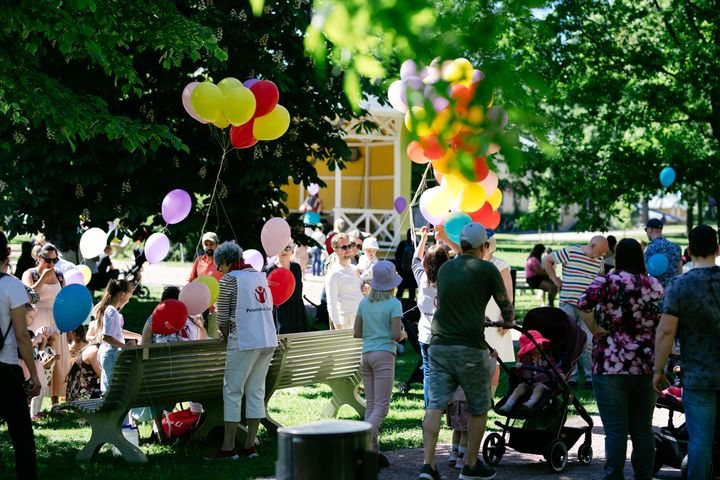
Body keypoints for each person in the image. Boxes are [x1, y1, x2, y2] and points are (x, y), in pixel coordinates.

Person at [419, 222, 514, 480]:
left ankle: (428, 466)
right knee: (478, 406)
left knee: (435, 405)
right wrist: (508, 321)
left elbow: (453, 302)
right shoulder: (487, 268)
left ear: (461, 245)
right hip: (468, 347)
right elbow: (506, 307)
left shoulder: (447, 267)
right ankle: (470, 465)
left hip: (438, 345)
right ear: (484, 246)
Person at [577, 238, 663, 480]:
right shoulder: (654, 284)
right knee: (643, 429)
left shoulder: (606, 281)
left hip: (610, 363)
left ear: (619, 257)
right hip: (646, 364)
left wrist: (594, 329)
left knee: (615, 430)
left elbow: (582, 304)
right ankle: (643, 476)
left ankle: (613, 475)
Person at [653, 224, 720, 480]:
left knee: (700, 442)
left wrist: (659, 370)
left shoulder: (679, 285)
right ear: (717, 249)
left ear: (689, 250)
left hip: (697, 376)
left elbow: (666, 332)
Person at [205, 241, 277, 460]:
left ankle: (228, 447)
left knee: (233, 391)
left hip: (244, 339)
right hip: (267, 338)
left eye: (220, 266)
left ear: (226, 261)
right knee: (256, 391)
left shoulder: (230, 279)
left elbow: (223, 316)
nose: (220, 271)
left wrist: (225, 334)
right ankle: (249, 445)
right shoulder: (259, 275)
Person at [353, 260, 406, 469]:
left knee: (372, 405)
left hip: (366, 354)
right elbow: (395, 334)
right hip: (383, 354)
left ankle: (373, 453)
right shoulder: (394, 304)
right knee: (381, 409)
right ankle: (360, 438)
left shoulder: (364, 302)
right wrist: (402, 334)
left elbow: (356, 332)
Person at [0, 231, 41, 479]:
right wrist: (34, 376)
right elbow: (22, 336)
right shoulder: (11, 286)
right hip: (4, 367)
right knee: (22, 435)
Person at [543, 235, 608, 387]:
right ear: (592, 246)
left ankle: (589, 377)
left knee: (588, 341)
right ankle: (570, 376)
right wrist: (554, 279)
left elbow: (601, 279)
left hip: (588, 307)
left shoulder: (600, 260)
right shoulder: (571, 252)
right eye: (600, 252)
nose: (602, 255)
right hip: (568, 303)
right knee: (568, 339)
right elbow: (547, 260)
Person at [21, 243, 68, 404]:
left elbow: (64, 298)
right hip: (36, 318)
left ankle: (55, 402)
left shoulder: (60, 276)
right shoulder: (30, 273)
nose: (51, 264)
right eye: (48, 260)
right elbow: (28, 296)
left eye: (55, 261)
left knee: (57, 357)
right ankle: (32, 402)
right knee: (39, 358)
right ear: (40, 258)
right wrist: (43, 278)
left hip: (55, 319)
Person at [412, 226, 450, 408]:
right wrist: (444, 238)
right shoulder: (452, 281)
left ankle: (431, 409)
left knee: (428, 373)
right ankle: (444, 407)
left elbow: (415, 260)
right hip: (446, 336)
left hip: (426, 335)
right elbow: (462, 257)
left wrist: (424, 238)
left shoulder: (422, 279)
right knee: (445, 374)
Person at [483, 233, 516, 396]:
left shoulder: (500, 265)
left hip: (496, 316)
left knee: (494, 361)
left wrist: (505, 318)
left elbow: (509, 295)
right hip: (477, 316)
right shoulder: (470, 264)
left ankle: (489, 397)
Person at [497, 330, 557, 414]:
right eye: (537, 345)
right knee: (519, 387)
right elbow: (520, 376)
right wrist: (519, 368)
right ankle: (508, 405)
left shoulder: (547, 358)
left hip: (543, 383)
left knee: (539, 387)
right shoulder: (525, 359)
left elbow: (554, 371)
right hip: (527, 383)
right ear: (529, 349)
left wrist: (536, 379)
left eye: (541, 344)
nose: (541, 346)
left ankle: (529, 404)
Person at [94, 279, 133, 394]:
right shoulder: (111, 311)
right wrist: (125, 346)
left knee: (110, 388)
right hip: (111, 353)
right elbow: (106, 336)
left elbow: (117, 332)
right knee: (109, 390)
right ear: (122, 294)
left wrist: (138, 336)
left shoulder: (112, 310)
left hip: (110, 353)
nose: (128, 301)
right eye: (129, 297)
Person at [265, 241, 307, 334]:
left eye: (287, 248)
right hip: (279, 310)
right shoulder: (270, 269)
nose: (284, 251)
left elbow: (298, 291)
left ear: (291, 250)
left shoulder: (296, 267)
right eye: (280, 248)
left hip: (295, 309)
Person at [140, 286, 207, 344]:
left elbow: (144, 344)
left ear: (163, 302)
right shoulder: (194, 318)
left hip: (161, 357)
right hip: (189, 357)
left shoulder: (153, 318)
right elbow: (203, 342)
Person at [325, 233, 364, 330]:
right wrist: (338, 328)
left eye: (350, 246)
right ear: (335, 250)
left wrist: (367, 286)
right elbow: (331, 304)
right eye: (344, 247)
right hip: (347, 321)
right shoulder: (333, 273)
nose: (348, 249)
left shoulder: (354, 268)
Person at [65, 325, 101, 401]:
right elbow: (104, 377)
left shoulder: (85, 350)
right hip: (82, 399)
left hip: (75, 397)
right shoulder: (92, 351)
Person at [644, 218, 682, 288]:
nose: (646, 232)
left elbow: (645, 271)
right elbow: (680, 271)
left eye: (646, 230)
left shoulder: (651, 248)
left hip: (658, 290)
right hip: (674, 288)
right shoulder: (676, 247)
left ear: (651, 229)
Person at [395, 229, 417, 300]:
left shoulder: (403, 243)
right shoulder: (416, 244)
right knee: (412, 291)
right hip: (413, 272)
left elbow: (397, 255)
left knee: (400, 290)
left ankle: (398, 303)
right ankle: (412, 307)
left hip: (403, 272)